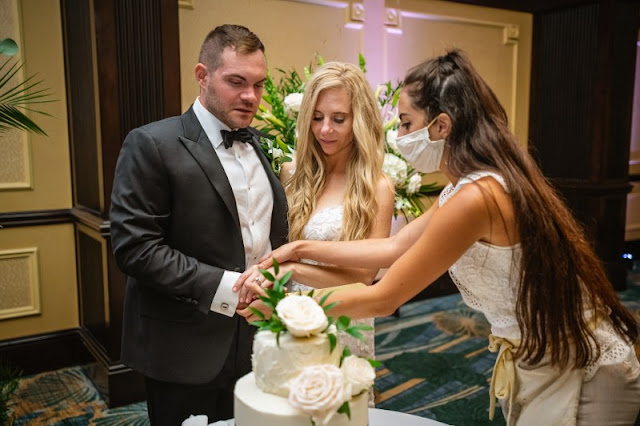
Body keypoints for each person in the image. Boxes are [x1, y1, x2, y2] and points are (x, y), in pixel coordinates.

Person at [240, 49, 640, 425]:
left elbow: (383, 297)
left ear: (442, 126)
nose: (398, 134)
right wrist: (295, 251)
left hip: (584, 368)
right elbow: (394, 247)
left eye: (407, 123)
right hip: (537, 353)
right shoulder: (464, 188)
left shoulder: (476, 197)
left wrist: (283, 308)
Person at [109, 25, 288, 426]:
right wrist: (228, 288)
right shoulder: (152, 144)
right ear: (202, 75)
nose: (251, 96)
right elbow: (135, 249)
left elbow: (266, 232)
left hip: (260, 338)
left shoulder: (262, 142)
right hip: (184, 345)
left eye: (259, 84)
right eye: (236, 82)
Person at [234, 62, 395, 362]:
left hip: (344, 315)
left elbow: (362, 279)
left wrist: (291, 269)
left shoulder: (378, 186)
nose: (324, 129)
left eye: (339, 119)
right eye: (317, 117)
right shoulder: (290, 173)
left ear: (358, 120)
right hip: (288, 310)